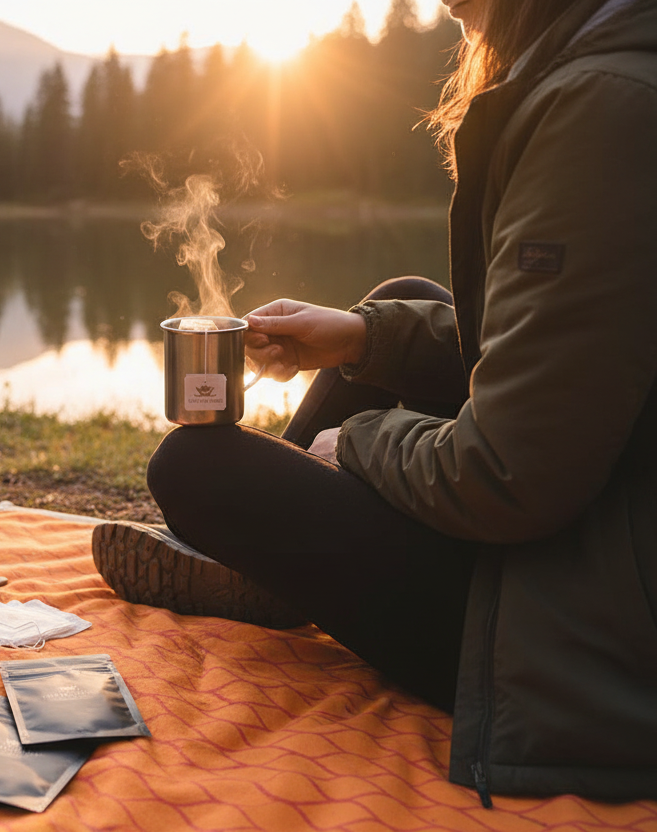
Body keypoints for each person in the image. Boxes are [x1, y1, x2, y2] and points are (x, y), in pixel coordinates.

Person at [92, 0, 657, 804]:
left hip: (584, 637)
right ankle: (261, 561)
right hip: (607, 536)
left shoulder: (604, 105)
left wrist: (356, 444)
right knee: (397, 303)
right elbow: (562, 350)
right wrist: (363, 337)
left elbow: (508, 475)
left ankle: (258, 558)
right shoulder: (613, 66)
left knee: (196, 463)